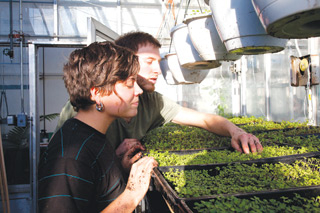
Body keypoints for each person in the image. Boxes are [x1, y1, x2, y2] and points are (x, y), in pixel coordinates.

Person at [56, 32, 263, 168]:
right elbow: (67, 169)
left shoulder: (150, 101)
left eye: (159, 62)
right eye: (149, 62)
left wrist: (237, 132)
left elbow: (204, 120)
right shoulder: (83, 110)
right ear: (125, 62)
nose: (157, 70)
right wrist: (113, 158)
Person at [38, 41, 158, 212]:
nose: (138, 90)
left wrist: (118, 169)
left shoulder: (94, 137)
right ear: (98, 93)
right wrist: (131, 195)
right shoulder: (70, 156)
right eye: (130, 83)